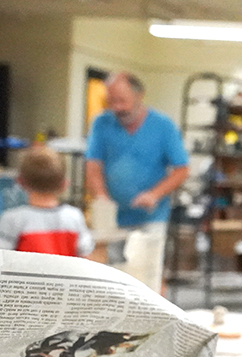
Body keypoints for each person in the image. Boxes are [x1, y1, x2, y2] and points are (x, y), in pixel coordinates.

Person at [85, 72, 189, 231]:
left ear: (139, 96)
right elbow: (93, 165)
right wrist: (101, 197)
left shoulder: (163, 126)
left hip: (151, 219)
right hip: (113, 218)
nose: (116, 107)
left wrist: (154, 195)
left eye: (122, 101)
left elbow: (181, 170)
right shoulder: (101, 124)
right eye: (111, 101)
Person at [0, 146, 94, 257]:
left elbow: (3, 259)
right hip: (65, 274)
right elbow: (86, 255)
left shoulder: (12, 219)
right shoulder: (74, 216)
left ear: (20, 182)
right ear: (64, 184)